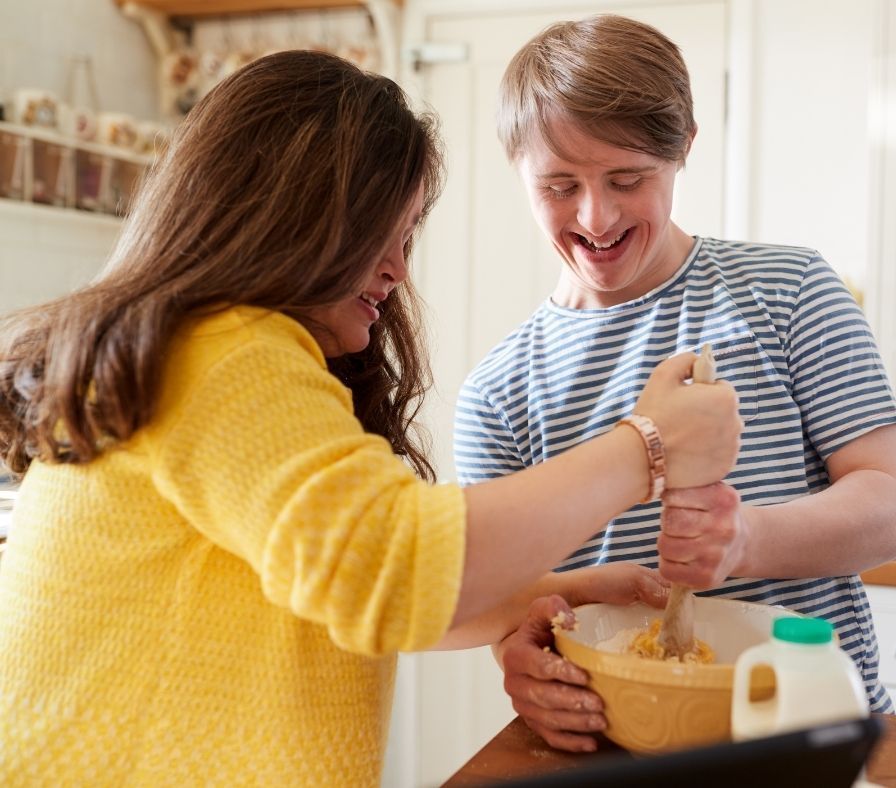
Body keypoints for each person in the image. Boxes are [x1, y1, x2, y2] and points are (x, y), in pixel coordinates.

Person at [0, 50, 742, 785]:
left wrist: (571, 591)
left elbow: (359, 592)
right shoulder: (221, 352)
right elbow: (395, 573)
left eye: (407, 233)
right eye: (377, 232)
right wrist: (646, 445)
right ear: (285, 213)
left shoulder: (220, 352)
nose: (397, 268)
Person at [453, 14, 896, 753]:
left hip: (808, 738)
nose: (595, 216)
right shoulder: (498, 393)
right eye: (560, 185)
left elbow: (890, 510)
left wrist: (745, 542)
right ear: (517, 170)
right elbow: (514, 609)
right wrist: (517, 662)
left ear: (683, 150)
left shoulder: (790, 290)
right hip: (616, 752)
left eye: (627, 180)